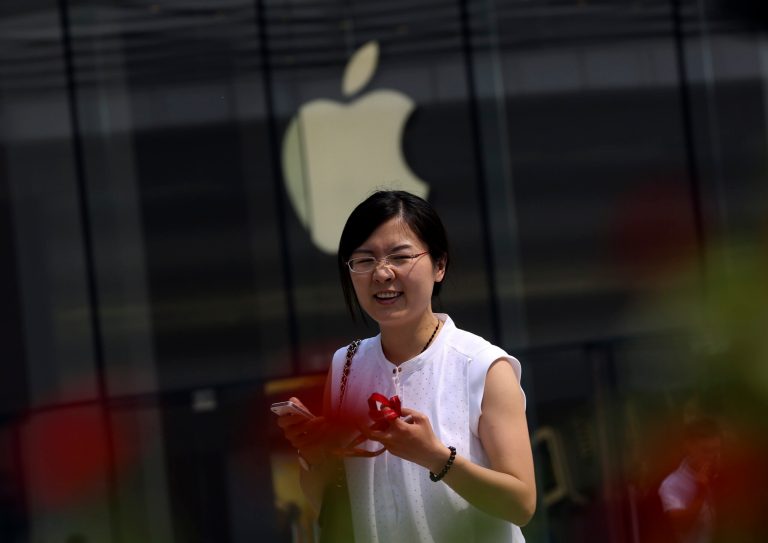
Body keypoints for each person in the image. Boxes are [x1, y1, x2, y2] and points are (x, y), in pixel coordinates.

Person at [276, 190, 536, 542]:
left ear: (439, 265)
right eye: (364, 260)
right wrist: (312, 453)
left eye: (400, 257)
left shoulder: (482, 365)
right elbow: (332, 504)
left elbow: (521, 503)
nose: (382, 274)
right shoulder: (346, 365)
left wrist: (435, 458)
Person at [658, 418, 722, 543]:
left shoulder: (723, 476)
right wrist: (700, 492)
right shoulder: (672, 484)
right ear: (689, 447)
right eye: (706, 451)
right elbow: (682, 526)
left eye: (716, 450)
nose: (713, 457)